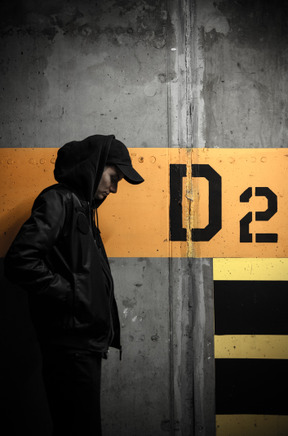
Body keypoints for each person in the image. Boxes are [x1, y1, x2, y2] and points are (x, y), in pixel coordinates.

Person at [4, 134, 144, 436]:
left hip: (82, 344)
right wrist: (71, 294)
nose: (115, 188)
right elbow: (20, 261)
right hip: (70, 347)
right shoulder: (58, 200)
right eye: (113, 177)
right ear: (94, 167)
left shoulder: (82, 206)